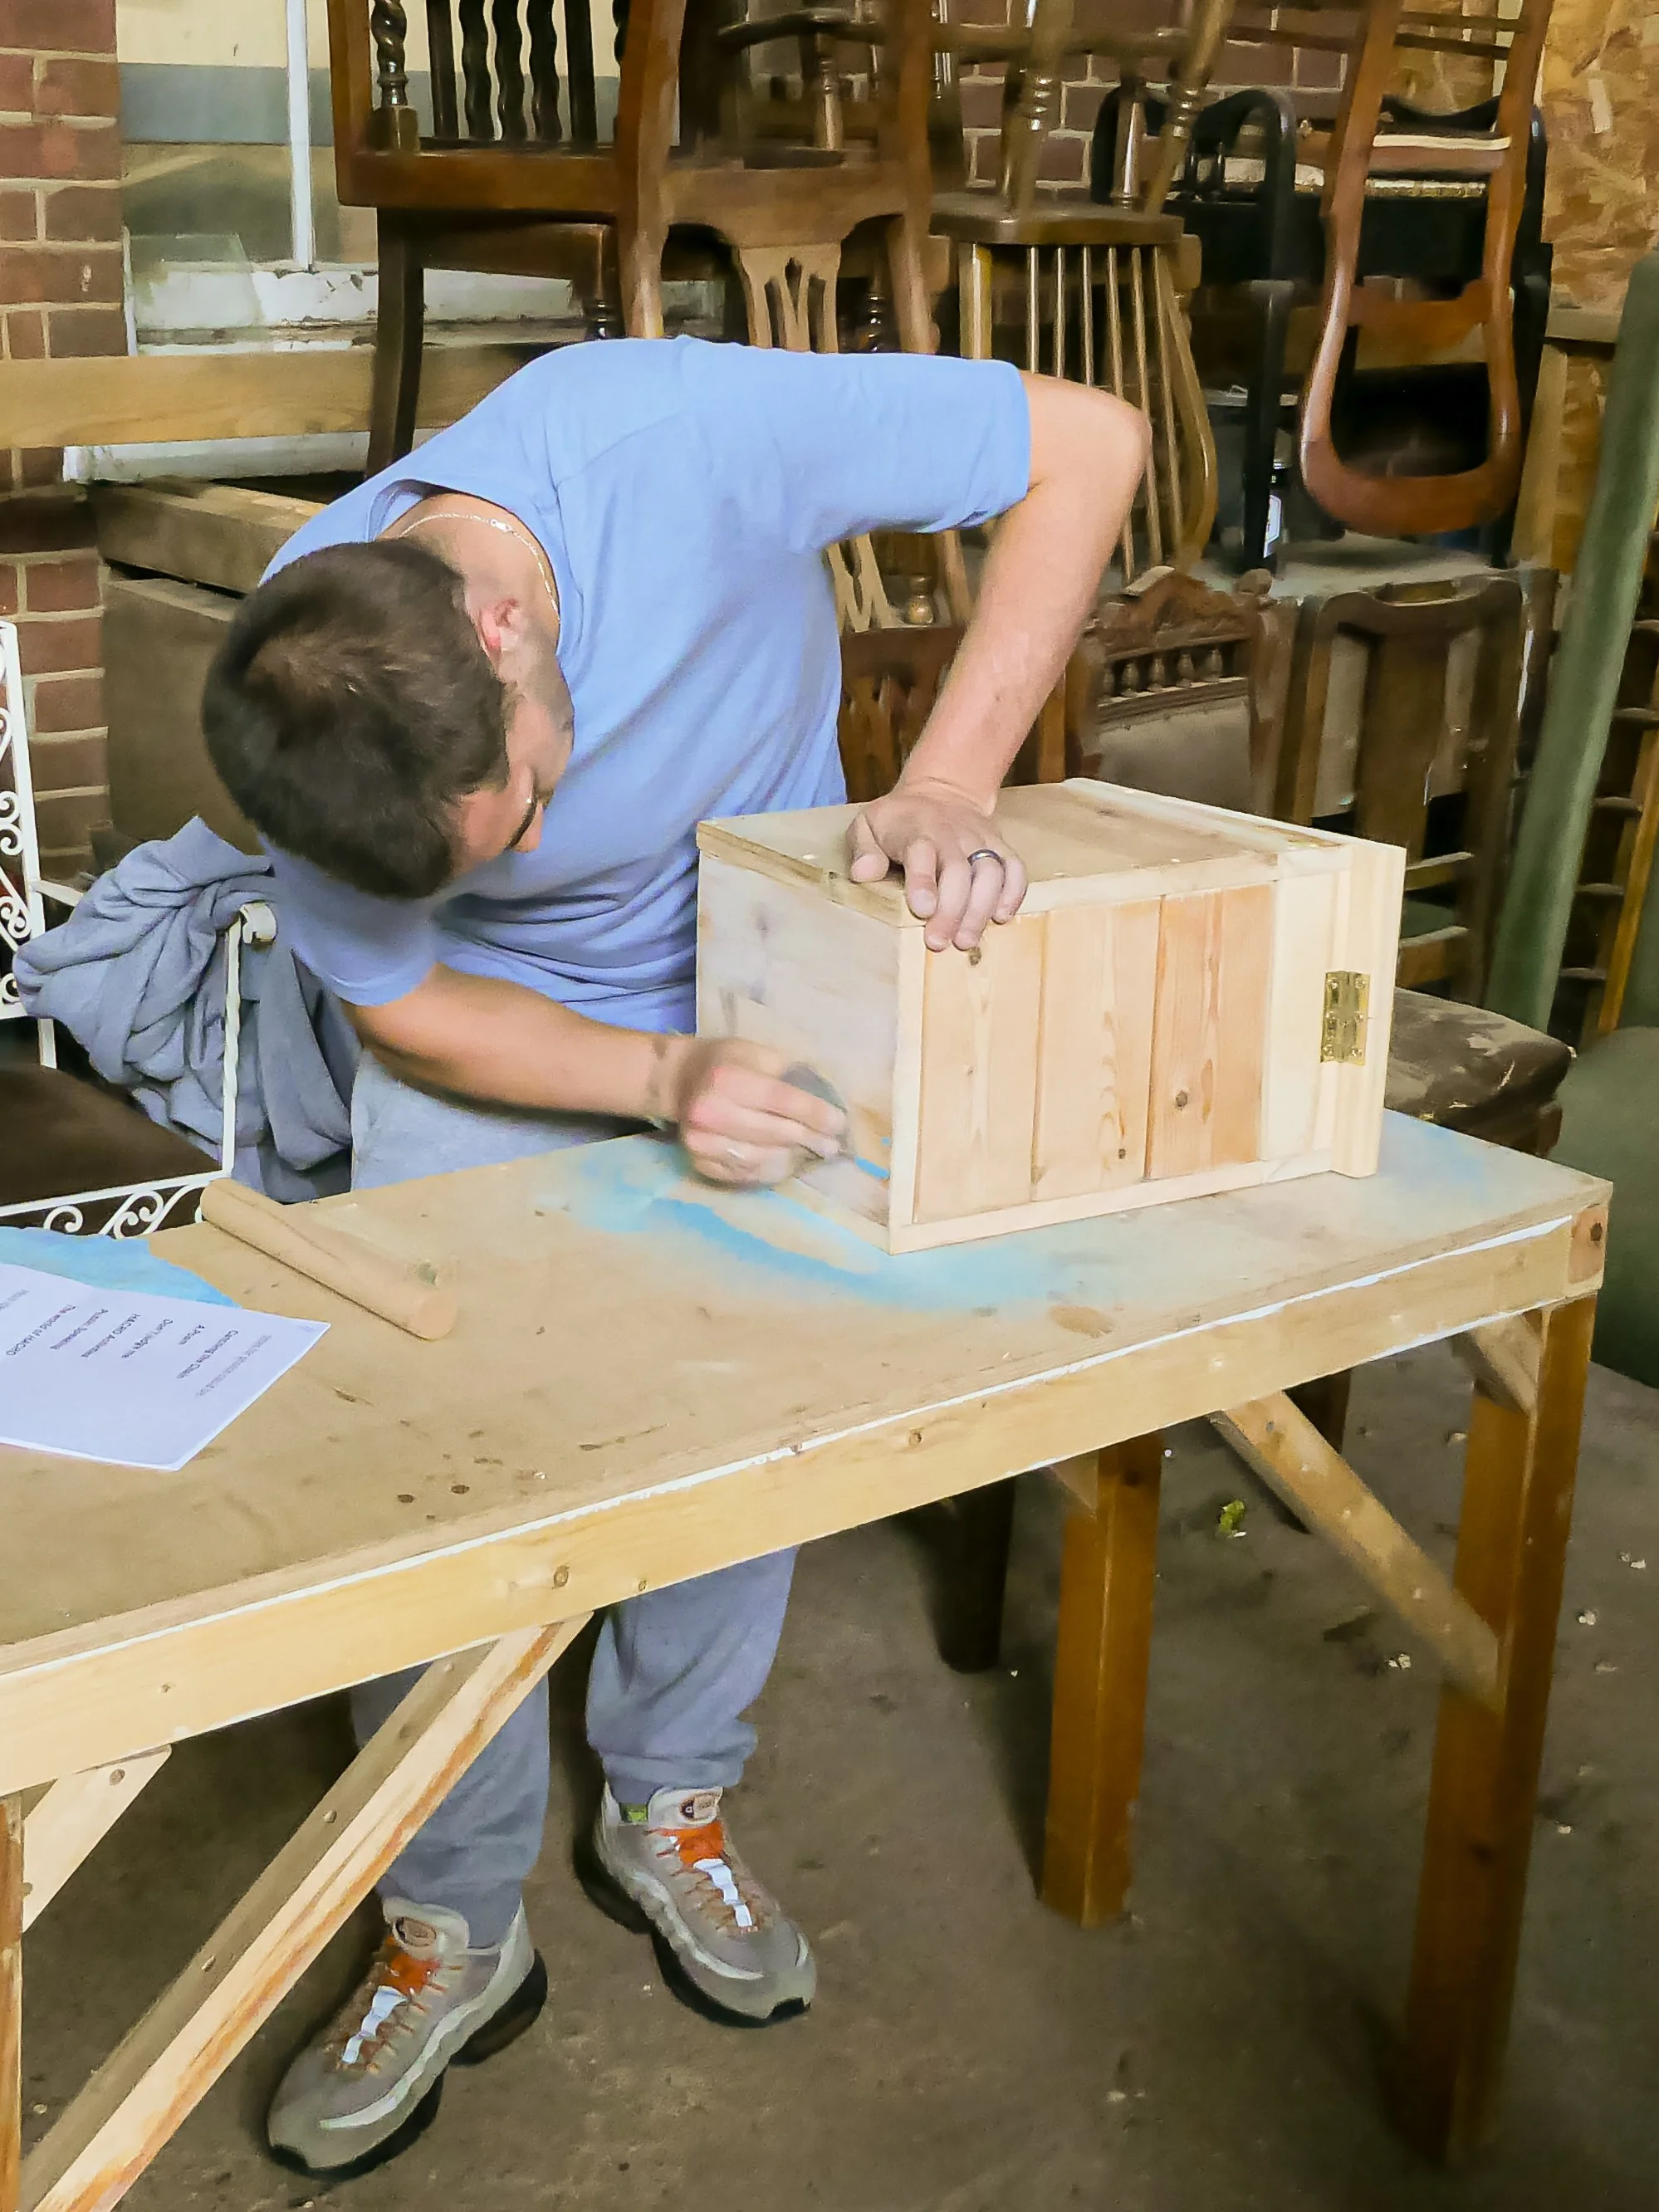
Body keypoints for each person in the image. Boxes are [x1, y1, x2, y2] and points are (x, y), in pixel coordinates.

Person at [201, 333, 1146, 2179]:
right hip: (521, 1039)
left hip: (768, 965)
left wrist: (950, 783)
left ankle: (672, 1799)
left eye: (532, 801)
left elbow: (1091, 445)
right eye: (504, 843)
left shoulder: (680, 434)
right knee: (424, 1486)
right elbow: (412, 1001)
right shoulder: (303, 701)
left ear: (500, 633)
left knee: (739, 1426)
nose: (546, 842)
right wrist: (653, 1076)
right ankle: (450, 1923)